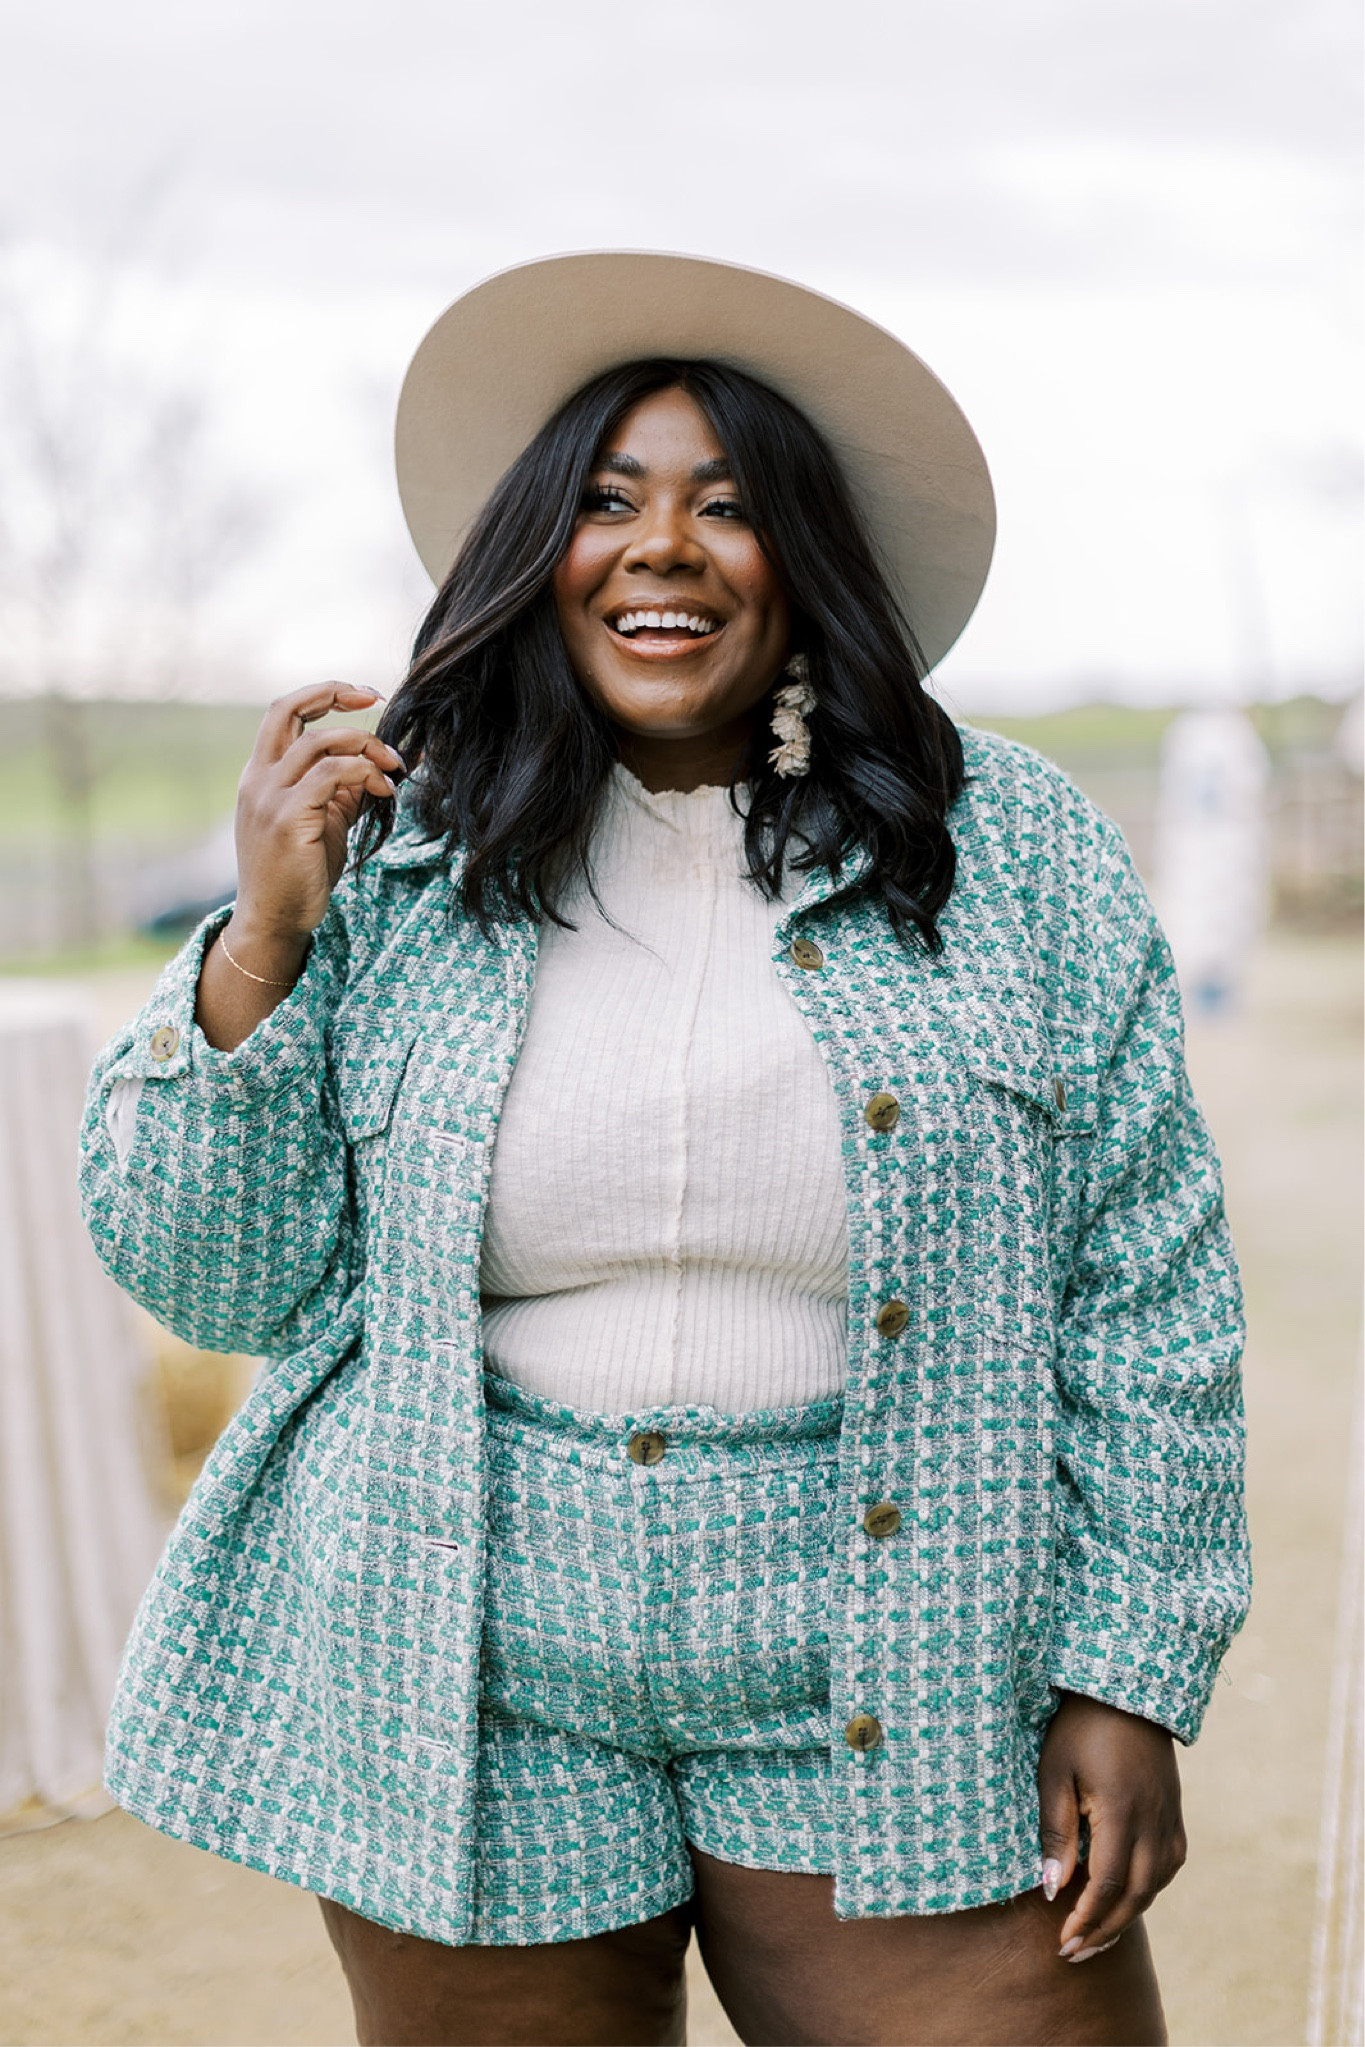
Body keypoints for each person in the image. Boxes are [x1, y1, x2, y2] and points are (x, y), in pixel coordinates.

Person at [80, 253, 1249, 2047]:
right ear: (535, 552)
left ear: (809, 554)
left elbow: (1149, 1288)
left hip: (910, 1655)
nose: (663, 550)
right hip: (466, 1672)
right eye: (609, 501)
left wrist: (1126, 1670)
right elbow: (207, 1279)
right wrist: (264, 940)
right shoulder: (389, 854)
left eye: (728, 505)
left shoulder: (1013, 850)